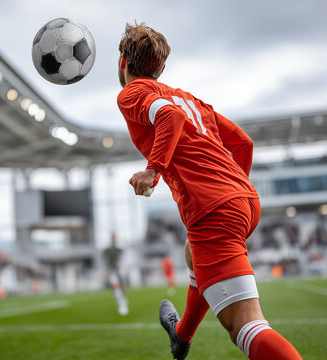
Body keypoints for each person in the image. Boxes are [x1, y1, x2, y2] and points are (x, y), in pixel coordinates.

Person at [116, 23, 302, 360]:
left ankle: (183, 337)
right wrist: (232, 192)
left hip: (216, 208)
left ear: (122, 62)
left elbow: (168, 118)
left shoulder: (132, 93)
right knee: (193, 253)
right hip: (245, 201)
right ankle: (181, 336)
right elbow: (244, 143)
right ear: (160, 68)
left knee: (245, 327)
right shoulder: (190, 99)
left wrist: (153, 170)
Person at [103, 232, 129, 316]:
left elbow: (123, 258)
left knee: (121, 286)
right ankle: (121, 304)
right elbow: (106, 260)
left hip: (120, 269)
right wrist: (106, 271)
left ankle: (123, 299)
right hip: (112, 270)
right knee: (115, 286)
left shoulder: (120, 247)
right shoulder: (108, 249)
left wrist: (124, 266)